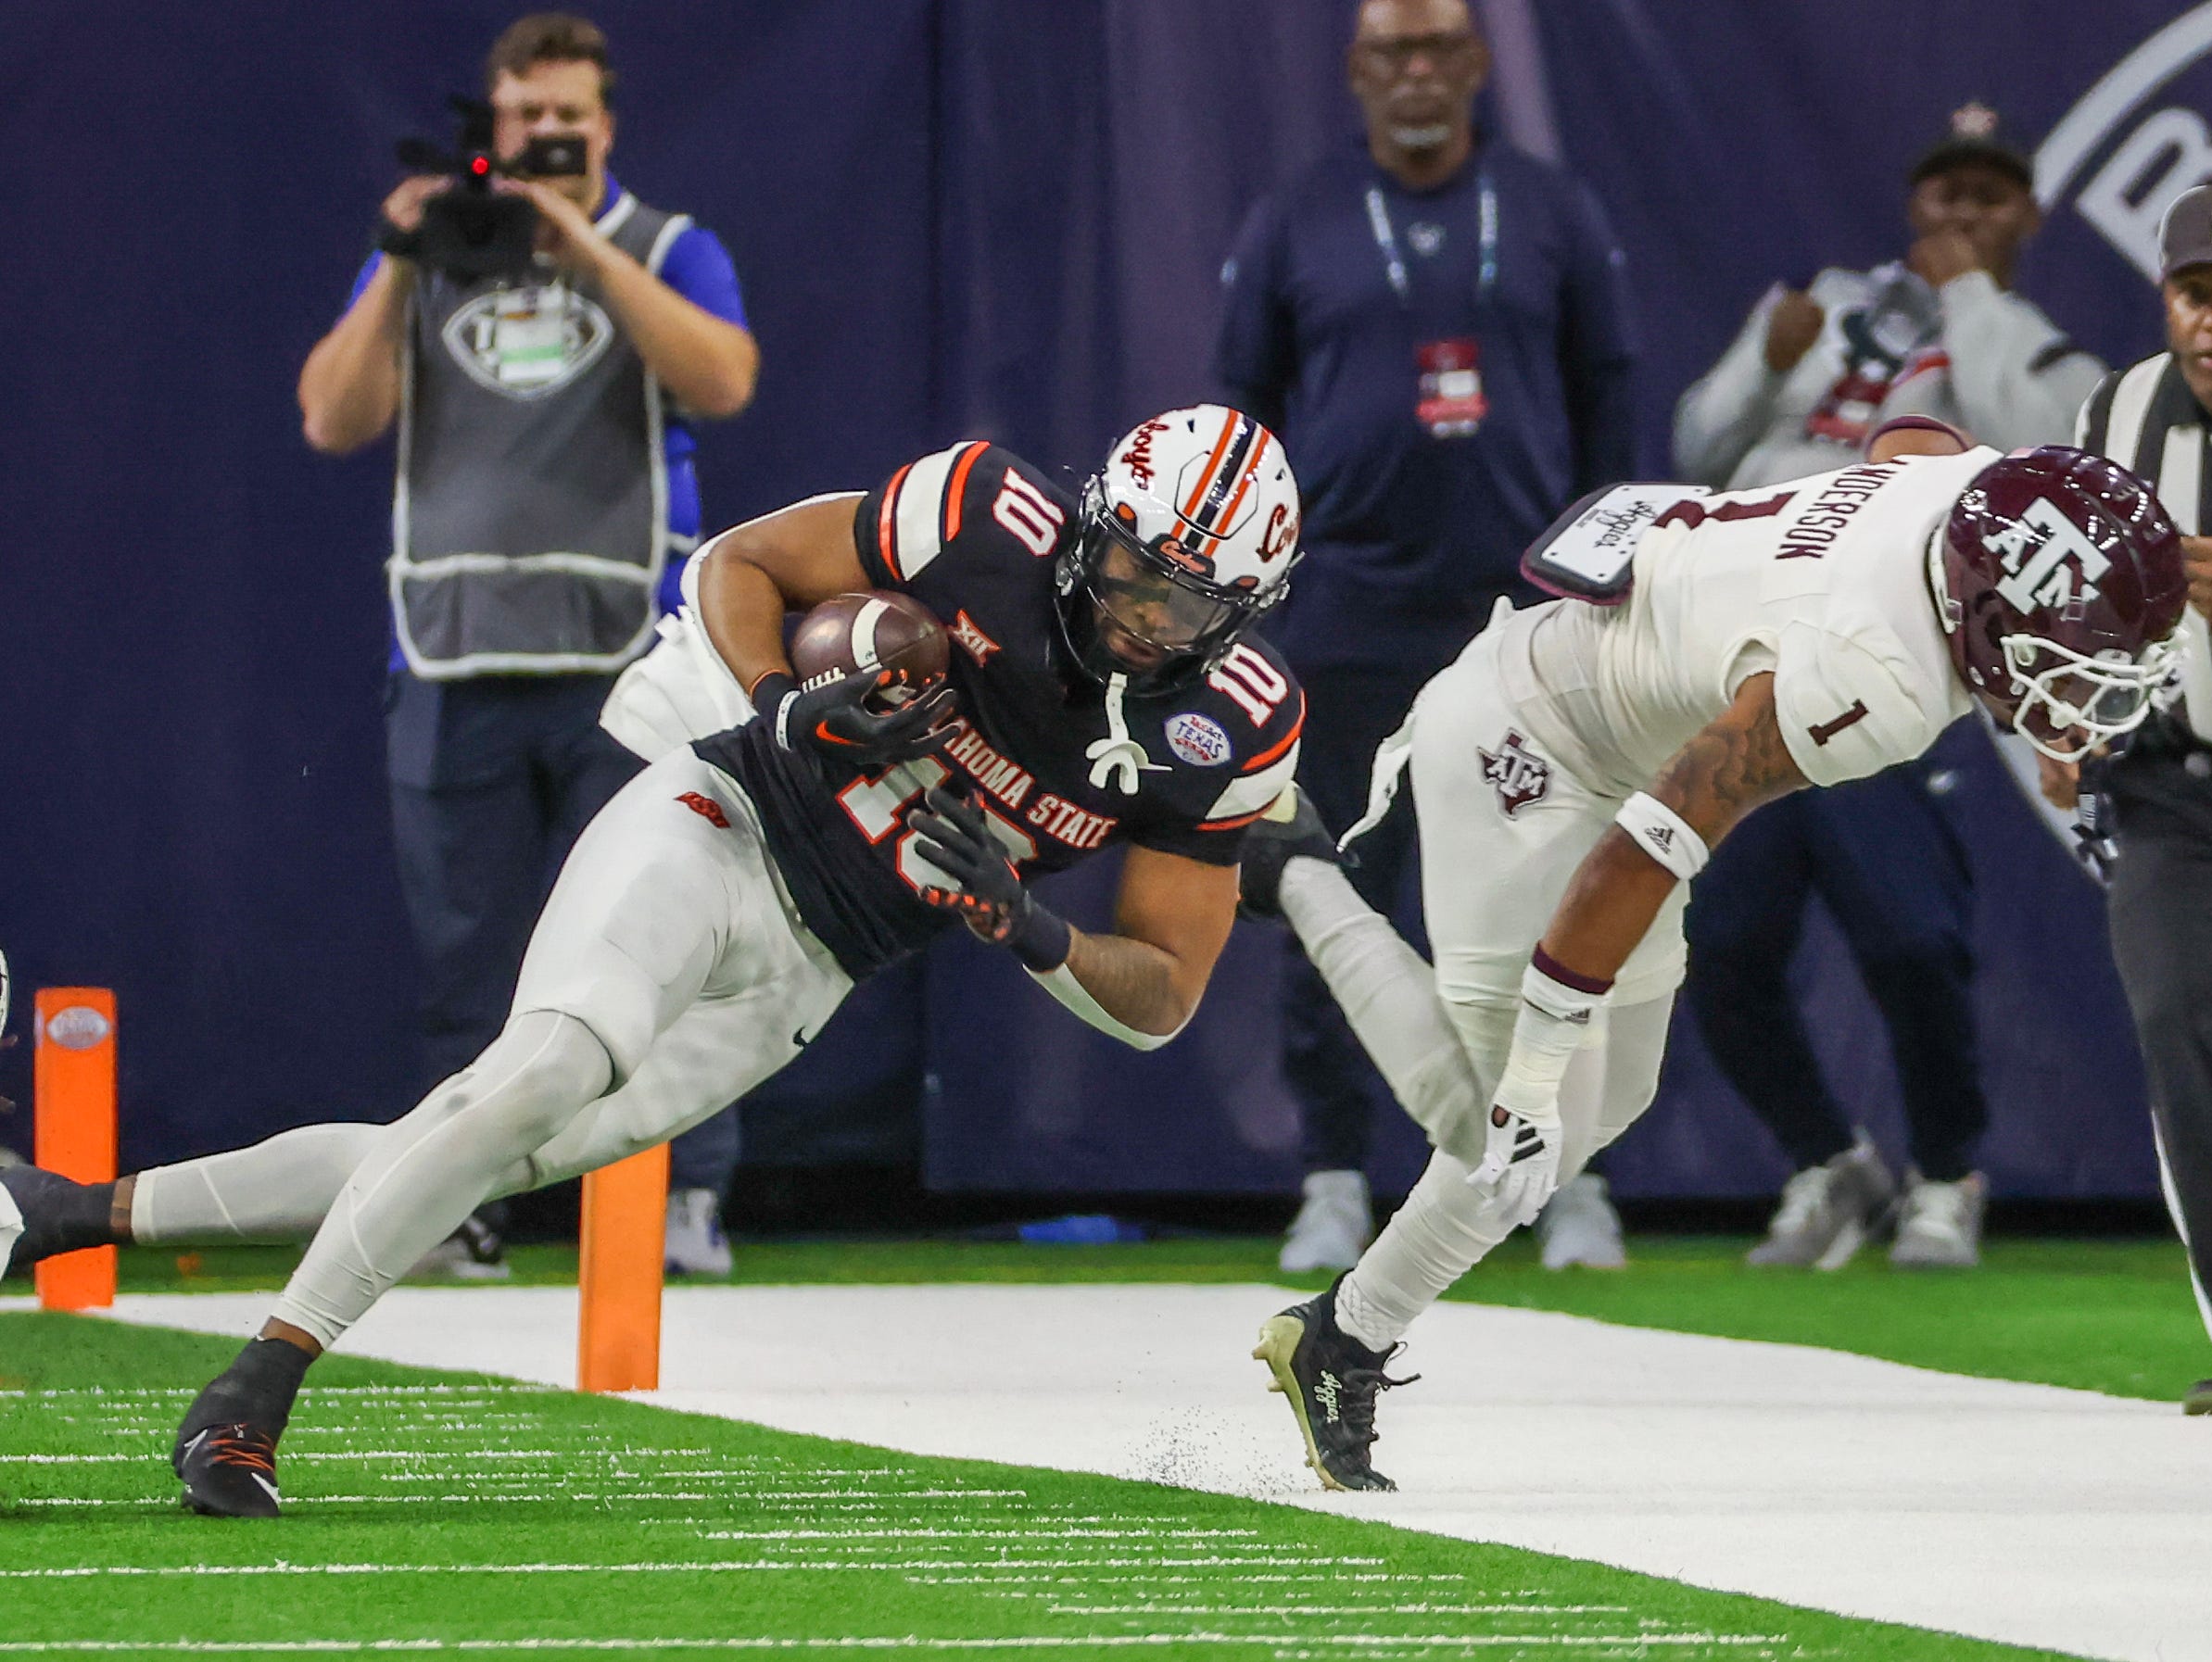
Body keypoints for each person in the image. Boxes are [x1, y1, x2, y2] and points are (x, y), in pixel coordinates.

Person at [0, 407, 1307, 1517]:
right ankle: (256, 1388)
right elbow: (740, 562)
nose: (1140, 612)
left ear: (1239, 612)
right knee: (548, 1064)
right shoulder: (976, 514)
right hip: (727, 816)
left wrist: (1027, 927)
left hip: (820, 967)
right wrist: (781, 698)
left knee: (481, 1142)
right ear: (1087, 528)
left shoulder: (1235, 726)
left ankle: (59, 1212)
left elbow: (1162, 994)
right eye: (1130, 567)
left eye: (1182, 598)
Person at [1236, 431, 2183, 1490]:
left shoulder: (1972, 493)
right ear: (1985, 620)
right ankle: (1294, 869)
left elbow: (1912, 445)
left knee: (1617, 1098)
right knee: (1498, 1131)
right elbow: (1653, 838)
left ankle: (1334, 1333)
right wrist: (1536, 1074)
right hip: (1523, 738)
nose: (2092, 688)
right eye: (2070, 661)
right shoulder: (1876, 677)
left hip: (1617, 715)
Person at [296, 15, 758, 1277]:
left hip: (624, 655)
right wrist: (400, 257)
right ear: (494, 127)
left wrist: (583, 248)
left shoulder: (667, 246)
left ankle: (680, 1200)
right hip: (453, 651)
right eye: (526, 122)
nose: (549, 140)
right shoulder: (435, 255)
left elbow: (723, 380)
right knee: (467, 963)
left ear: (607, 126)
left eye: (570, 121)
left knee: (664, 935)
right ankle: (462, 1207)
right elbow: (332, 416)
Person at [1216, 0, 1637, 1273]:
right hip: (1343, 613)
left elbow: (1606, 399)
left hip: (1521, 624)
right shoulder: (1296, 214)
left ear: (1474, 65)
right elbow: (1239, 411)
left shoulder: (1552, 208)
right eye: (1390, 49)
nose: (1415, 70)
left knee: (1558, 894)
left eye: (1438, 46)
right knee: (1330, 893)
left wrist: (1609, 584)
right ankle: (1336, 1175)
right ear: (1356, 72)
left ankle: (1566, 1177)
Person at [1671, 107, 2105, 1269]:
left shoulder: (2025, 343)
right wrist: (1765, 360)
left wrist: (1970, 298)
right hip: (1750, 651)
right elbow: (1698, 448)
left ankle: (1944, 1174)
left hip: (1887, 660)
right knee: (1717, 945)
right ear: (1911, 203)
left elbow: (2050, 455)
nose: (1960, 215)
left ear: (2026, 215)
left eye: (1988, 197)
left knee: (1910, 940)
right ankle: (1829, 1162)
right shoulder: (1821, 309)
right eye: (1943, 195)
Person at [2065, 182, 2212, 1413]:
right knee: (2185, 1024)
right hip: (2175, 787)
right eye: (2199, 294)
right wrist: (2058, 704)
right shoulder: (2113, 413)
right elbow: (2057, 587)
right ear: (2165, 296)